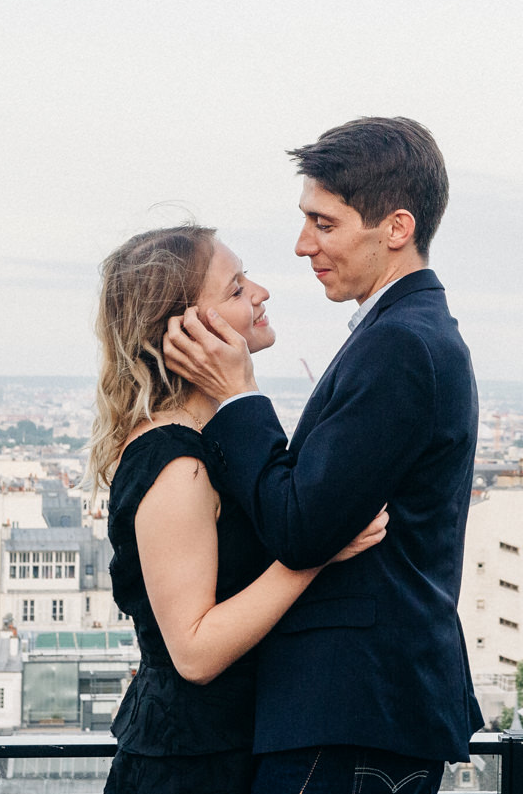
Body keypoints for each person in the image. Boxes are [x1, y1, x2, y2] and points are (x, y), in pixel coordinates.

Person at [165, 116, 483, 794]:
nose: (304, 243)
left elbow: (302, 526)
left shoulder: (401, 345)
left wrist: (237, 396)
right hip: (361, 710)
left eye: (324, 223)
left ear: (395, 228)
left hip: (350, 709)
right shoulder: (406, 335)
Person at [85, 224, 389, 794]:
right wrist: (314, 554)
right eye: (235, 288)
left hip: (227, 749)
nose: (260, 293)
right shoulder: (177, 463)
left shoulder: (211, 440)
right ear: (184, 330)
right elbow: (194, 651)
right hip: (192, 766)